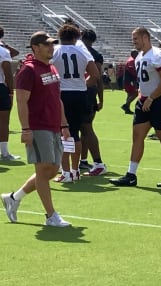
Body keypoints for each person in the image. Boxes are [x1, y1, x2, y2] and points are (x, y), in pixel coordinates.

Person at [2, 31, 72, 227]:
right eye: (47, 44)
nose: (52, 47)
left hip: (53, 125)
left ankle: (14, 198)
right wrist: (25, 129)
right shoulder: (28, 70)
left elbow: (57, 99)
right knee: (43, 170)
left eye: (52, 44)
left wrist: (64, 123)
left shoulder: (51, 68)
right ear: (36, 47)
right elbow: (21, 101)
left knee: (52, 169)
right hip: (38, 126)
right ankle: (51, 216)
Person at [109, 27, 161, 188]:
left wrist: (152, 98)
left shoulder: (157, 55)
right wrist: (142, 95)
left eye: (136, 39)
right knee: (137, 136)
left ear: (145, 37)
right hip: (144, 100)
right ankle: (131, 175)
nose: (134, 42)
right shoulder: (140, 56)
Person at [51, 23, 100, 183]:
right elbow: (95, 74)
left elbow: (48, 74)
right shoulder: (81, 50)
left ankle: (65, 172)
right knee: (75, 134)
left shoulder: (55, 51)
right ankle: (75, 170)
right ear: (76, 37)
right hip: (79, 95)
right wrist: (82, 85)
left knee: (63, 134)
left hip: (62, 94)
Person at [79, 28, 107, 176]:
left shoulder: (79, 51)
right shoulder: (96, 54)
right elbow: (99, 79)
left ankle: (78, 162)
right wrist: (101, 99)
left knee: (80, 128)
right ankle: (83, 160)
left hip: (79, 91)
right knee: (86, 128)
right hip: (91, 93)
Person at [0, 26, 19, 161]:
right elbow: (8, 74)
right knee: (3, 121)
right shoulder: (3, 51)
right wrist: (11, 93)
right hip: (0, 87)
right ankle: (5, 153)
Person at [121, 50, 139, 114]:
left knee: (129, 94)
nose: (138, 55)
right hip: (130, 80)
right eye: (137, 54)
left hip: (127, 80)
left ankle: (127, 109)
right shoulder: (132, 61)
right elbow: (133, 71)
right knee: (136, 93)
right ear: (134, 54)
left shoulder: (130, 59)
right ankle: (126, 105)